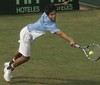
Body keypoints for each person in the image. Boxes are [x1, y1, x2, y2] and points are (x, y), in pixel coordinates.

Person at [4, 4, 76, 81]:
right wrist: (70, 40)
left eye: (55, 14)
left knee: (21, 50)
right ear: (48, 15)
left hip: (27, 31)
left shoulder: (46, 12)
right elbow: (60, 33)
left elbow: (53, 6)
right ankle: (9, 69)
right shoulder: (49, 24)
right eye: (51, 15)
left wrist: (63, 4)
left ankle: (9, 63)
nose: (54, 16)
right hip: (27, 34)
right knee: (26, 57)